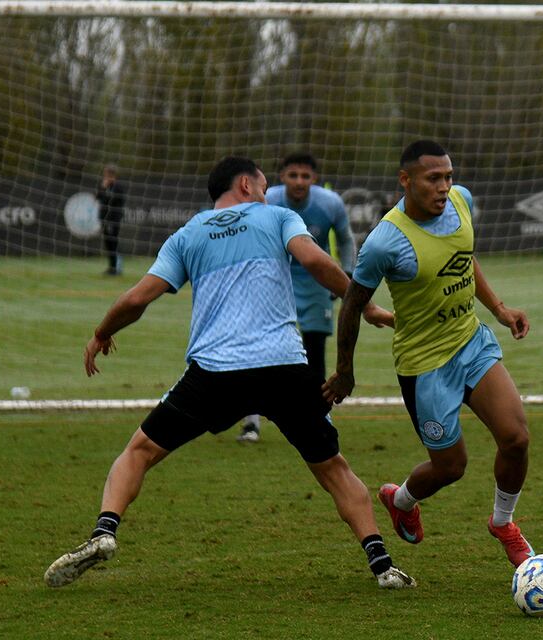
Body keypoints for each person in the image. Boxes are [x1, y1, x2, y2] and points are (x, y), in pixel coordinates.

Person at [44, 157, 414, 589]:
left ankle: (104, 533)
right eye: (262, 186)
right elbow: (317, 262)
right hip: (284, 367)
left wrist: (101, 333)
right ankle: (383, 566)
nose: (266, 192)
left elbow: (138, 298)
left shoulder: (188, 234)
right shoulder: (277, 216)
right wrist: (364, 305)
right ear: (245, 184)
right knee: (334, 468)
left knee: (139, 452)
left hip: (215, 373)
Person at [322, 140, 536, 568]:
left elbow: (464, 258)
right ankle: (400, 499)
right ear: (406, 180)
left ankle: (503, 522)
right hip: (425, 367)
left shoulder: (461, 202)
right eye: (433, 178)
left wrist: (498, 309)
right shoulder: (384, 242)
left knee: (516, 438)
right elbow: (352, 306)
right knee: (450, 467)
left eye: (448, 177)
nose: (444, 186)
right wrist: (344, 371)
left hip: (470, 343)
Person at [237, 153, 356, 443]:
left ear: (314, 179)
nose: (299, 181)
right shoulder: (269, 202)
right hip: (276, 284)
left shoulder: (330, 203)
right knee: (259, 350)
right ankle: (251, 421)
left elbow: (346, 240)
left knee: (314, 352)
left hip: (316, 285)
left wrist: (347, 276)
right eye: (293, 175)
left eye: (305, 176)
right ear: (281, 177)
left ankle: (319, 415)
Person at [96, 165, 126, 276]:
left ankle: (117, 267)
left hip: (114, 219)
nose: (105, 176)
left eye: (107, 174)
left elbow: (117, 200)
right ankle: (111, 267)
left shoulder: (118, 186)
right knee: (108, 243)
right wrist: (103, 187)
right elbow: (98, 198)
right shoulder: (104, 185)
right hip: (104, 219)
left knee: (113, 243)